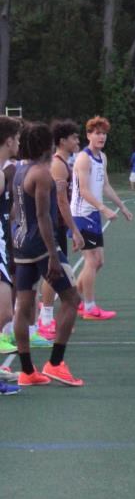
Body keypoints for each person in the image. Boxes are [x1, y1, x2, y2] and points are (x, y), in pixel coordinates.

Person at [10, 122, 83, 386]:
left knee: (24, 305)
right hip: (41, 246)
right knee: (72, 298)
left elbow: (16, 211)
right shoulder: (42, 173)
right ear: (47, 146)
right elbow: (43, 216)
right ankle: (55, 363)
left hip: (21, 244)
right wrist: (53, 254)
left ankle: (27, 371)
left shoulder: (20, 171)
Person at [71, 115, 132, 320]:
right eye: (97, 133)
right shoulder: (83, 158)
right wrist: (104, 209)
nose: (101, 137)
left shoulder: (102, 157)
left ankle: (74, 298)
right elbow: (84, 190)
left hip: (93, 214)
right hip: (82, 215)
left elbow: (105, 186)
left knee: (99, 262)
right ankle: (89, 307)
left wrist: (122, 206)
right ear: (88, 135)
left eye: (104, 133)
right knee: (92, 260)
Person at [37, 119, 84, 340]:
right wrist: (75, 229)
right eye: (74, 137)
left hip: (58, 225)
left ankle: (46, 317)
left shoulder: (64, 163)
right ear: (62, 141)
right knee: (54, 273)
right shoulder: (58, 165)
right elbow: (61, 201)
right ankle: (45, 319)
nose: (77, 141)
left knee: (55, 272)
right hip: (53, 226)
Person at [0, 116, 21, 355]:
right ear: (8, 141)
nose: (19, 143)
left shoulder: (7, 173)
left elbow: (10, 212)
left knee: (5, 312)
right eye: (17, 138)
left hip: (4, 245)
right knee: (5, 312)